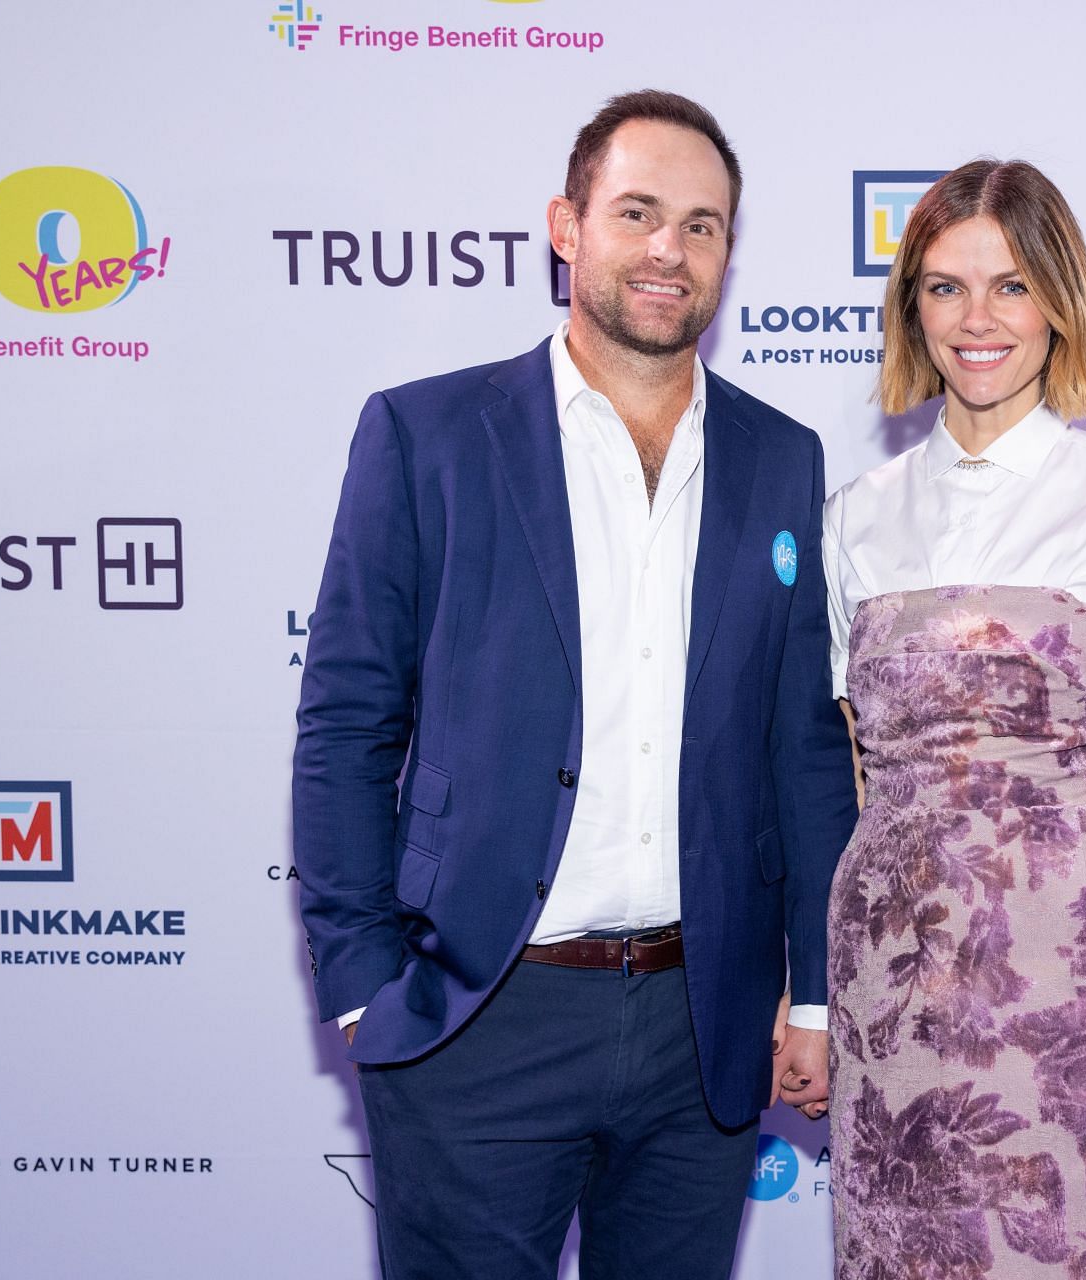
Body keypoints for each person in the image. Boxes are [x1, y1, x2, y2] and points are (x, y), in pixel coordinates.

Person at [291, 90, 858, 1280]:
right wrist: (361, 982)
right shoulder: (428, 434)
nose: (670, 248)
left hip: (701, 1026)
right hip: (482, 1013)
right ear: (567, 225)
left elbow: (802, 749)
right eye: (639, 212)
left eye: (703, 225)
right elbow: (347, 721)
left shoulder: (780, 456)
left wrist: (811, 991)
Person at [822, 159, 1086, 1278]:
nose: (978, 319)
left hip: (1075, 991)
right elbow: (858, 775)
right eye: (947, 286)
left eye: (1010, 286)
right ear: (911, 303)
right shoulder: (855, 521)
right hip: (889, 994)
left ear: (1061, 302)